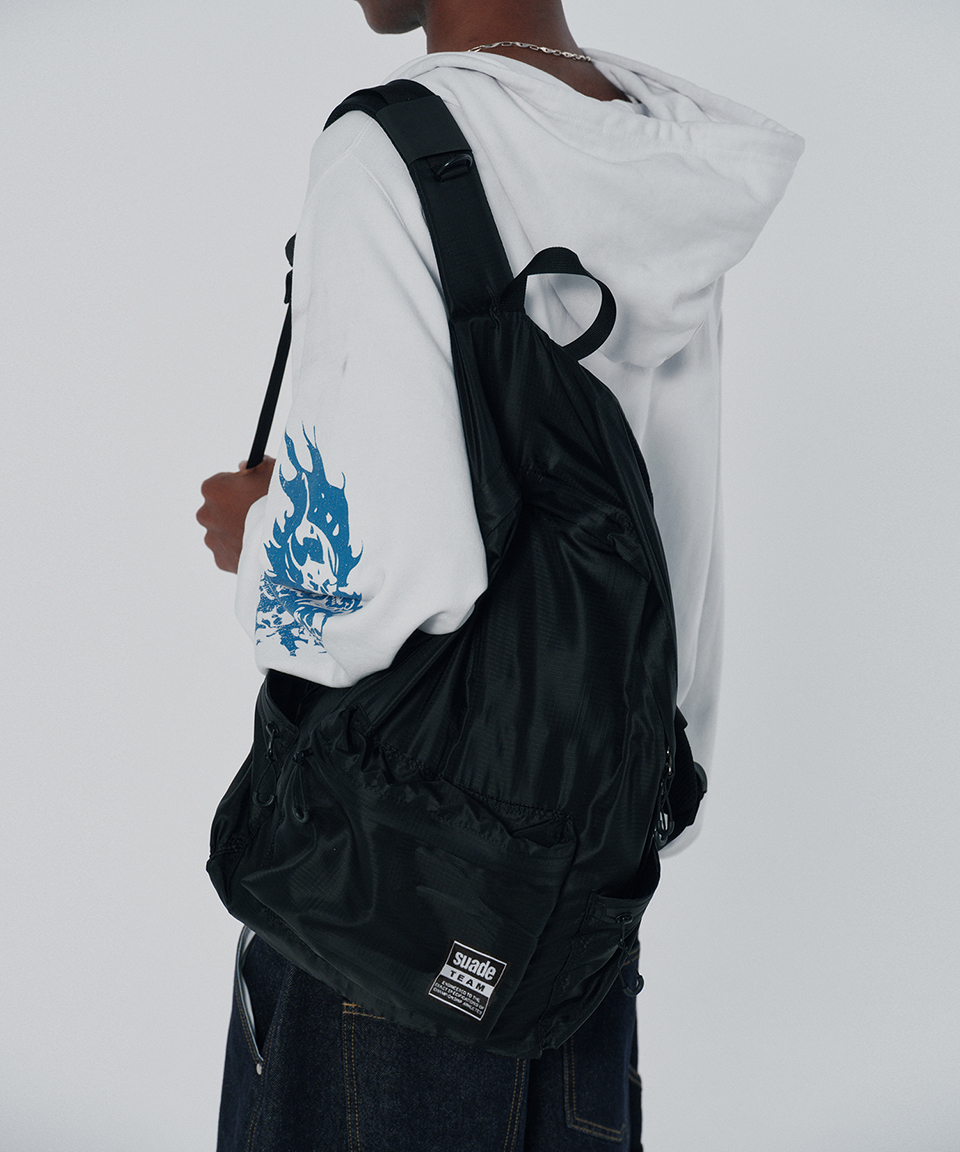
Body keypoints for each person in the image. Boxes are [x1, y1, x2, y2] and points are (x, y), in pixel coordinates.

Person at [197, 1, 803, 1147]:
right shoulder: (659, 159)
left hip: (386, 906)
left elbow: (374, 583)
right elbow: (666, 538)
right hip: (572, 917)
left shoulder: (391, 149)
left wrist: (259, 529)